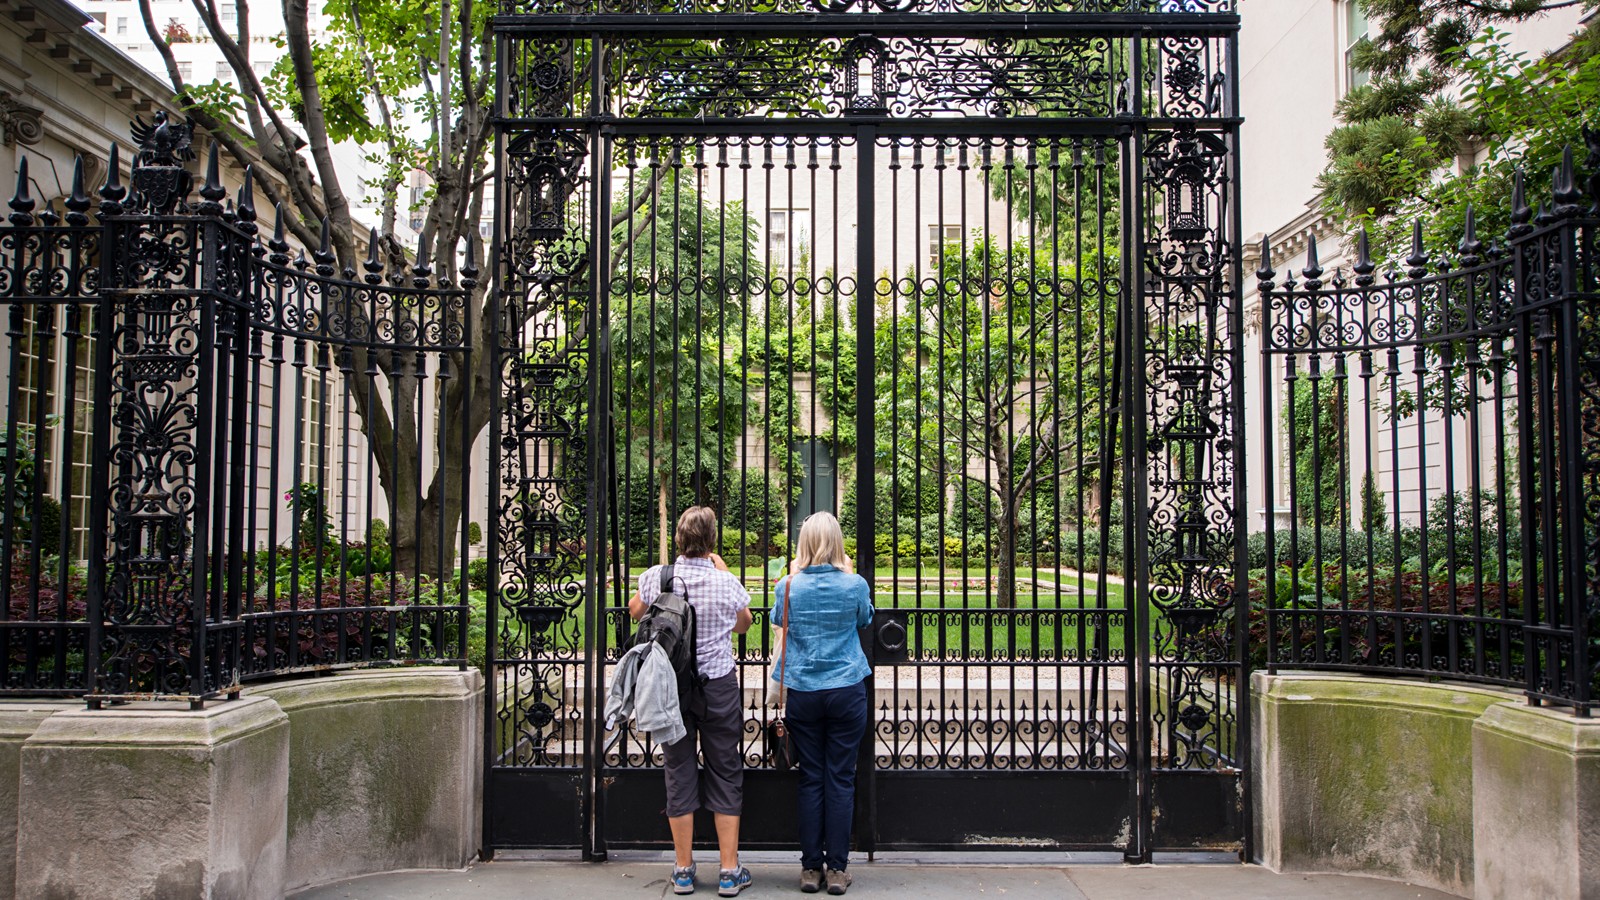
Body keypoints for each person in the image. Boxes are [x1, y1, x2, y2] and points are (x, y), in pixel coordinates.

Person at [630, 506, 755, 897]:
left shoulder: (656, 577)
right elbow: (744, 622)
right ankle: (729, 870)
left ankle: (683, 869)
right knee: (725, 769)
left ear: (679, 539)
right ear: (712, 541)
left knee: (678, 769)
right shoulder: (726, 582)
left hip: (671, 687)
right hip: (716, 684)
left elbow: (636, 612)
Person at [771, 512, 874, 895]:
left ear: (804, 544)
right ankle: (837, 869)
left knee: (811, 777)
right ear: (837, 543)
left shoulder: (788, 585)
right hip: (846, 687)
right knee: (841, 777)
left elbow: (775, 620)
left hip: (804, 691)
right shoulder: (854, 585)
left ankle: (810, 868)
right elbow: (865, 620)